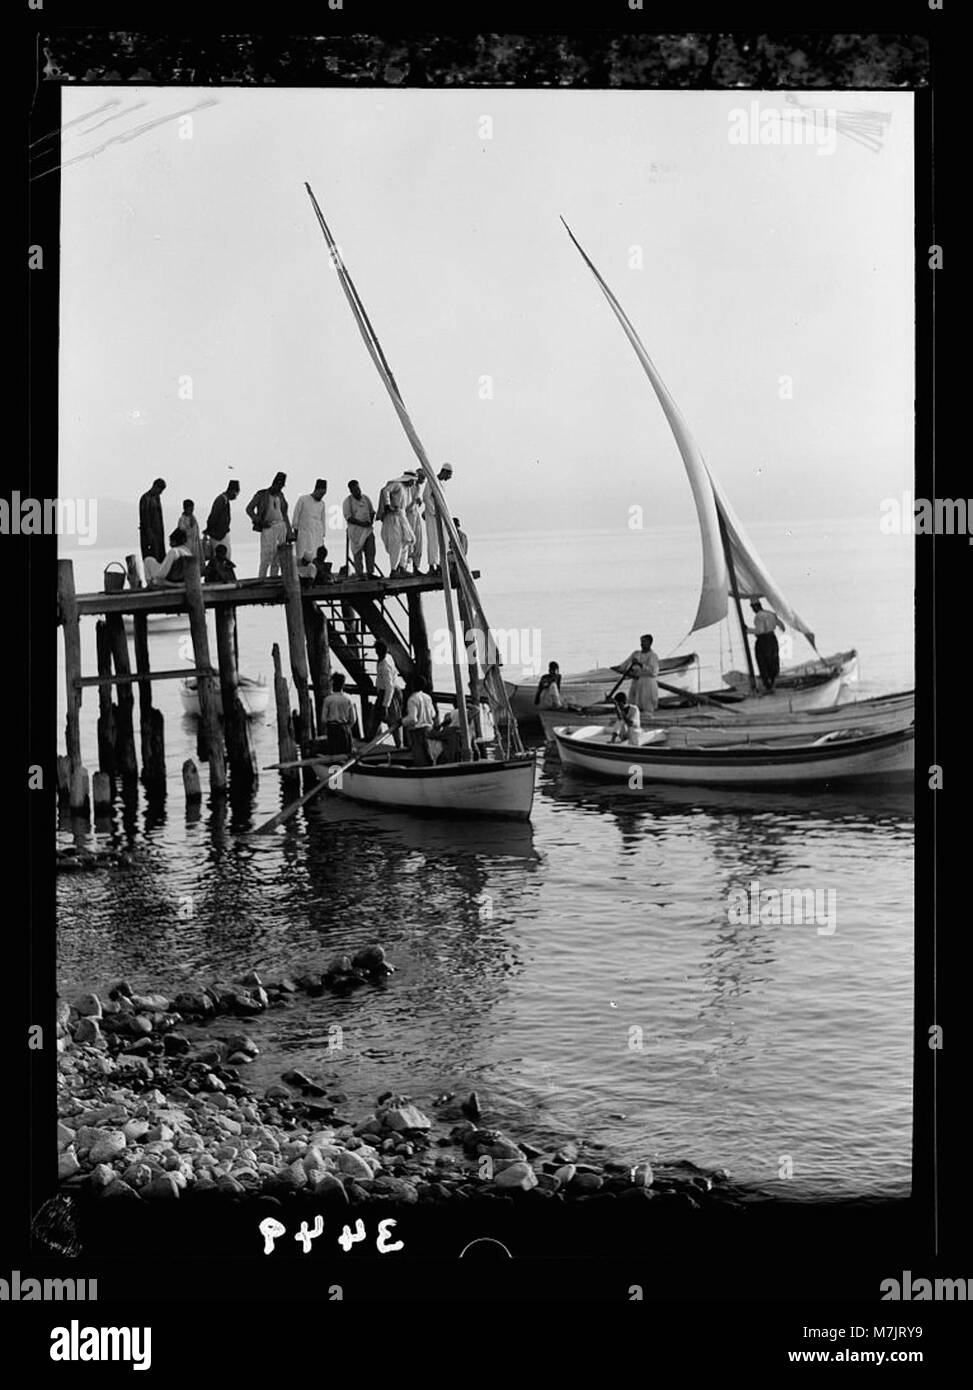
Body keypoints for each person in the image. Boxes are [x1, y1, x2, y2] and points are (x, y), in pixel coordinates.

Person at [246, 472, 291, 579]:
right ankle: (261, 579)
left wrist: (289, 532)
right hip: (268, 527)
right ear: (274, 483)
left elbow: (285, 514)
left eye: (282, 486)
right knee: (266, 556)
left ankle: (274, 579)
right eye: (279, 485)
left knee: (278, 558)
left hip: (281, 527)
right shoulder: (262, 494)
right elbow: (249, 509)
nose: (280, 488)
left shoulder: (281, 495)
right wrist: (259, 521)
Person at [377, 475, 415, 577]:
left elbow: (406, 506)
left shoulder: (407, 490)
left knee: (407, 541)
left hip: (402, 517)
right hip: (393, 517)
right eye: (413, 480)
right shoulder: (397, 485)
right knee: (396, 543)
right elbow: (385, 491)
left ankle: (402, 568)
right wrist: (388, 505)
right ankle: (394, 570)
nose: (413, 483)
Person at [613, 634, 660, 716]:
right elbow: (624, 665)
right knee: (634, 705)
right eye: (641, 642)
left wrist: (640, 664)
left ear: (650, 643)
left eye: (644, 642)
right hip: (636, 682)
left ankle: (647, 720)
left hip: (647, 683)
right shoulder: (636, 654)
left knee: (646, 706)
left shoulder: (653, 656)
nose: (641, 644)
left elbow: (654, 672)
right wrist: (616, 669)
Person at [747, 599, 786, 693]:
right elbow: (782, 626)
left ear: (755, 607)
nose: (753, 610)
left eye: (753, 608)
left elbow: (760, 631)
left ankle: (767, 684)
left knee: (762, 661)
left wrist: (747, 630)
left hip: (763, 641)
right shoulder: (771, 613)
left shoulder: (758, 616)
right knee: (773, 660)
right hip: (772, 638)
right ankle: (772, 680)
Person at [371, 639, 404, 744]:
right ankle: (371, 740)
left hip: (389, 693)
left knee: (393, 720)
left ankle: (399, 744)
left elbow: (389, 687)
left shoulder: (385, 666)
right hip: (387, 691)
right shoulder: (388, 658)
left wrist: (385, 705)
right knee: (376, 717)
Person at [342, 480, 377, 577]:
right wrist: (361, 523)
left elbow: (372, 511)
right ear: (351, 491)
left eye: (358, 489)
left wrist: (371, 520)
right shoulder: (347, 501)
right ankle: (360, 574)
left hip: (368, 530)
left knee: (370, 552)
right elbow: (348, 517)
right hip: (356, 532)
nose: (358, 491)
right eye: (355, 490)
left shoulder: (365, 498)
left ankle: (370, 573)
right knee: (357, 554)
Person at [424, 462, 453, 574]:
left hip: (440, 516)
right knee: (433, 540)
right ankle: (432, 566)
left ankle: (441, 564)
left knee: (442, 541)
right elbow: (426, 497)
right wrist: (434, 512)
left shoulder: (440, 483)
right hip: (433, 517)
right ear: (444, 471)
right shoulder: (432, 481)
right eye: (449, 475)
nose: (450, 478)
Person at [402, 674, 436, 766]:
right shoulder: (427, 697)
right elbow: (433, 714)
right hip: (429, 730)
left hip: (418, 732)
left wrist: (402, 721)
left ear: (413, 685)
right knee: (430, 756)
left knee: (420, 759)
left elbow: (413, 719)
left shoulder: (412, 699)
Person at [321, 672, 357, 756]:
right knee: (346, 753)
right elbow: (353, 719)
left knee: (333, 754)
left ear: (332, 683)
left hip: (332, 729)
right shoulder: (348, 699)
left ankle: (333, 768)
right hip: (344, 729)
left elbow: (323, 719)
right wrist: (346, 727)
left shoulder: (328, 699)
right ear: (343, 684)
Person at [293, 480, 328, 565]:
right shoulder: (303, 499)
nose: (321, 496)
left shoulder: (322, 504)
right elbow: (296, 515)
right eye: (320, 493)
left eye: (323, 494)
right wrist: (295, 530)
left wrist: (323, 534)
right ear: (316, 490)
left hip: (317, 535)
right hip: (304, 534)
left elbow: (322, 519)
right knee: (302, 557)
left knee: (317, 557)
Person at [204, 480, 240, 558]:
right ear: (232, 491)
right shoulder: (221, 500)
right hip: (218, 536)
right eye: (236, 494)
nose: (236, 496)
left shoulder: (225, 500)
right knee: (221, 559)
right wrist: (209, 530)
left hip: (221, 534)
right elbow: (213, 517)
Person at [138, 478, 167, 564]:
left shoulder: (157, 498)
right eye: (160, 490)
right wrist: (149, 534)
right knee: (151, 559)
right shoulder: (145, 499)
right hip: (149, 535)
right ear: (155, 487)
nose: (161, 492)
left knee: (160, 559)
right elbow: (144, 519)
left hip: (158, 534)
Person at [405, 471, 424, 573]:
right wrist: (414, 502)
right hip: (408, 517)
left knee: (418, 541)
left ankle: (416, 567)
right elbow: (405, 506)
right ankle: (404, 567)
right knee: (409, 542)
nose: (424, 480)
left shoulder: (418, 487)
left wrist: (418, 502)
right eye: (422, 478)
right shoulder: (409, 488)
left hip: (416, 515)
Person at [178, 499, 205, 567]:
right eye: (190, 509)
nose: (192, 510)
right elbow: (183, 532)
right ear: (185, 508)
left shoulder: (193, 517)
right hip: (187, 546)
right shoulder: (182, 519)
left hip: (196, 545)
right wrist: (190, 526)